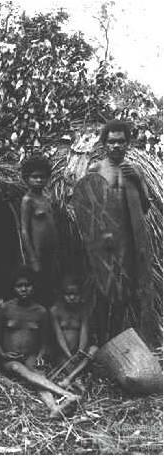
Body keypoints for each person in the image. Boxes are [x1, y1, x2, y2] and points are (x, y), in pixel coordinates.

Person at [88, 119, 151, 344]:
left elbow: (145, 207)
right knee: (102, 292)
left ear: (128, 144)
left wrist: (138, 178)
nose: (116, 146)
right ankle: (99, 342)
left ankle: (115, 342)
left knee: (123, 294)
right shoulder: (96, 169)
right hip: (103, 243)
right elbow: (87, 207)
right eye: (112, 142)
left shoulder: (135, 170)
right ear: (104, 144)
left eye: (121, 142)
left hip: (127, 243)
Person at [0, 266, 80, 419]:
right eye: (19, 286)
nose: (24, 289)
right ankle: (66, 394)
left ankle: (54, 407)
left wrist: (40, 355)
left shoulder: (41, 312)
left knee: (38, 375)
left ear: (33, 288)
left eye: (27, 285)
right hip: (9, 359)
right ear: (14, 288)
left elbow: (44, 341)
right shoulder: (5, 308)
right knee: (17, 367)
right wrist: (3, 354)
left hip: (30, 356)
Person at [20, 155, 59, 305]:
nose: (39, 180)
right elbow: (24, 230)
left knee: (51, 286)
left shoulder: (47, 198)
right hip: (38, 253)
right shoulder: (28, 200)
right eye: (34, 177)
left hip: (51, 252)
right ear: (26, 178)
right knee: (38, 287)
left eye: (42, 177)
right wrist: (33, 258)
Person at [49, 275, 98, 391]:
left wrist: (80, 352)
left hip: (79, 353)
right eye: (68, 294)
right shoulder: (55, 311)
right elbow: (59, 336)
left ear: (80, 295)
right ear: (62, 295)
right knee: (57, 355)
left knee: (94, 349)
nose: (71, 297)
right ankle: (76, 379)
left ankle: (70, 379)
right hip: (63, 352)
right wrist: (68, 354)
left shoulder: (83, 310)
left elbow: (84, 332)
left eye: (75, 294)